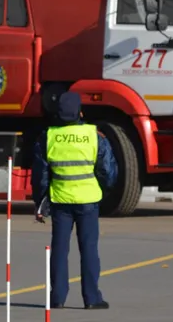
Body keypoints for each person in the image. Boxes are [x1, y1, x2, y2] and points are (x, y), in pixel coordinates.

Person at [31, 92, 118, 310]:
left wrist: (40, 202)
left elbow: (40, 176)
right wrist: (104, 191)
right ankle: (92, 298)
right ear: (80, 112)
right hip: (88, 202)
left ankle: (57, 298)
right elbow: (108, 171)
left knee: (59, 250)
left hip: (60, 201)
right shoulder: (94, 136)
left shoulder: (48, 137)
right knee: (89, 249)